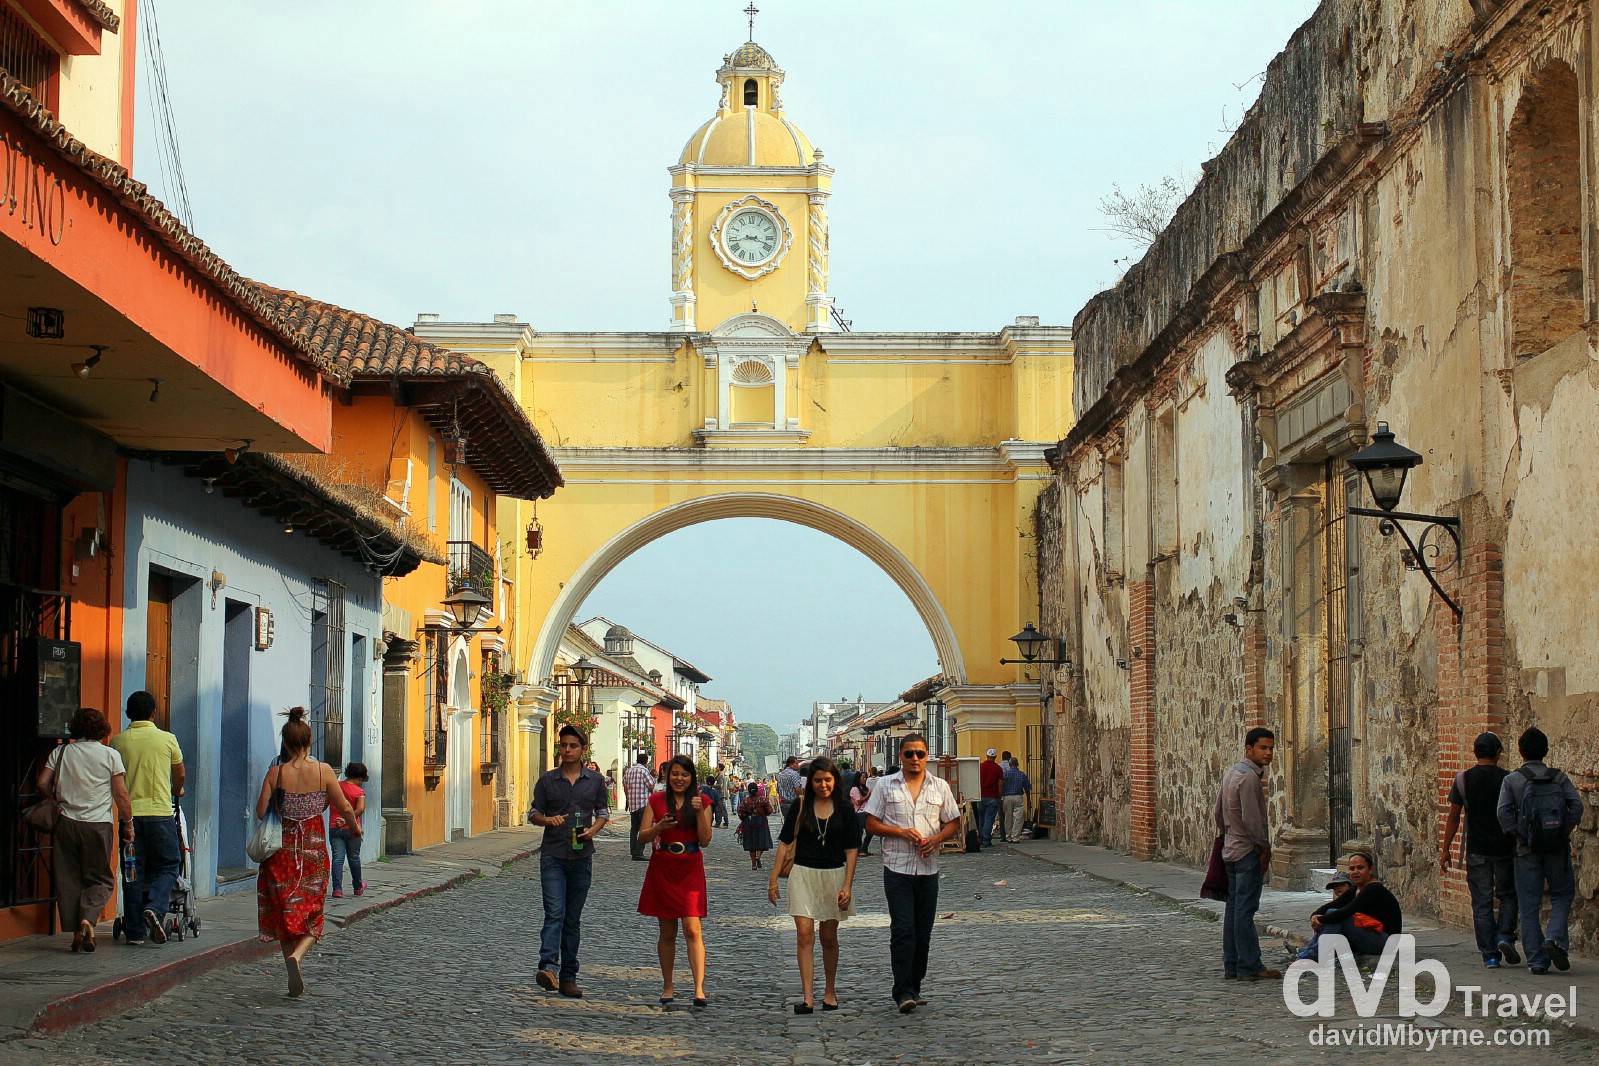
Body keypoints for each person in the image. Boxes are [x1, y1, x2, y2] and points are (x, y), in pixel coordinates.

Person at [256, 707, 363, 997]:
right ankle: (298, 957)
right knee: (313, 912)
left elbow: (260, 811)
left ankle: (290, 959)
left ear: (285, 742)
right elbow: (343, 806)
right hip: (313, 850)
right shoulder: (324, 771)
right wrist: (354, 827)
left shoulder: (275, 773)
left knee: (283, 911)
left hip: (281, 852)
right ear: (309, 741)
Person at [863, 733, 960, 1013]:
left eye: (920, 753)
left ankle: (915, 985)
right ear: (901, 757)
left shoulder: (939, 787)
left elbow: (953, 822)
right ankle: (902, 990)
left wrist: (937, 839)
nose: (915, 759)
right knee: (903, 929)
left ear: (927, 755)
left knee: (923, 932)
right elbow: (871, 824)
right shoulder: (885, 785)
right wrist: (900, 832)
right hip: (897, 867)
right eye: (909, 754)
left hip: (928, 869)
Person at [36, 708, 131, 953]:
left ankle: (77, 933)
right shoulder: (110, 755)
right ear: (102, 729)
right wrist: (128, 823)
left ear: (75, 727)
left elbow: (42, 783)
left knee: (68, 878)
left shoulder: (61, 752)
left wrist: (54, 799)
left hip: (66, 822)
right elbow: (120, 794)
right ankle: (88, 919)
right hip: (98, 824)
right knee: (100, 879)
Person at [770, 756, 860, 1013]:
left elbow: (852, 849)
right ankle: (808, 996)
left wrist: (848, 885)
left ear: (835, 781)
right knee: (804, 934)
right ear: (811, 782)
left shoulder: (844, 809)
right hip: (803, 874)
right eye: (818, 780)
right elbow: (785, 843)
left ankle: (829, 991)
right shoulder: (801, 805)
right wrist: (773, 878)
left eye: (827, 780)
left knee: (829, 937)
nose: (823, 785)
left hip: (834, 875)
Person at [529, 724, 611, 998]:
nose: (567, 750)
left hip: (582, 856)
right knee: (555, 913)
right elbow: (534, 813)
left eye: (572, 746)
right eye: (563, 745)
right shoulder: (548, 780)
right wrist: (546, 819)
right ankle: (548, 967)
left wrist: (594, 830)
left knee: (572, 920)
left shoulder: (596, 782)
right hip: (553, 854)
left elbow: (603, 812)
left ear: (583, 750)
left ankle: (568, 977)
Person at [1496, 726, 1583, 975]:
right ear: (1545, 751)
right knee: (1562, 895)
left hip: (1526, 850)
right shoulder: (1559, 777)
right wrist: (1563, 832)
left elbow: (1502, 813)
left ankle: (1537, 960)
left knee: (1529, 904)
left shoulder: (1512, 780)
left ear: (1521, 752)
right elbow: (1576, 806)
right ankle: (1554, 938)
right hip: (1557, 848)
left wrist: (1520, 835)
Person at [108, 690, 184, 946]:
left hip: (129, 820)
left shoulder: (116, 743)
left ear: (128, 713)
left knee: (132, 872)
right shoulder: (167, 739)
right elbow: (179, 773)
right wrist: (176, 788)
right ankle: (156, 907)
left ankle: (134, 932)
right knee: (169, 865)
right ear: (154, 712)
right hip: (160, 815)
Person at [638, 755, 713, 1007]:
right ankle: (668, 984)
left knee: (693, 928)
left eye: (684, 774)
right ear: (667, 777)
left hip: (690, 865)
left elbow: (705, 840)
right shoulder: (656, 800)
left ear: (692, 778)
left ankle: (699, 988)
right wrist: (659, 827)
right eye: (674, 774)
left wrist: (700, 812)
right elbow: (642, 837)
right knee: (667, 931)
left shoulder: (701, 801)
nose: (679, 779)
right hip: (663, 865)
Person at [1441, 732, 1519, 968]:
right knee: (1508, 895)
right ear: (1498, 753)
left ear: (1475, 753)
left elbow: (1453, 817)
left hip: (1476, 850)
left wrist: (1445, 849)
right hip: (1505, 848)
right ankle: (1505, 936)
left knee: (1482, 902)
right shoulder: (1508, 779)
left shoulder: (1463, 780)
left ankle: (1490, 954)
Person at [1215, 727, 1280, 982]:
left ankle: (1232, 964)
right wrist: (1264, 848)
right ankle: (1249, 966)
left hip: (1231, 847)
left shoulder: (1232, 772)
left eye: (1271, 748)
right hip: (1246, 851)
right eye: (1263, 748)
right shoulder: (1250, 777)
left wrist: (1227, 836)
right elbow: (1254, 820)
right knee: (1244, 910)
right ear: (1249, 749)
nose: (1268, 753)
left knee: (1234, 909)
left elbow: (1219, 813)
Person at [1307, 851, 1401, 958]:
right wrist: (1314, 916)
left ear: (1370, 870)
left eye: (1360, 868)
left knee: (1338, 916)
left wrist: (1321, 920)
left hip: (1384, 942)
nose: (1355, 872)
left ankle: (1312, 954)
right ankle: (1310, 951)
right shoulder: (1355, 889)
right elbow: (1334, 904)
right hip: (1368, 935)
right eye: (1352, 869)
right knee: (1331, 912)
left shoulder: (1374, 889)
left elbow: (1348, 911)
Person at [1293, 871, 1355, 960]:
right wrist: (1315, 919)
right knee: (1327, 916)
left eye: (1341, 884)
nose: (1338, 888)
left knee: (1332, 915)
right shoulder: (1338, 902)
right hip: (1340, 938)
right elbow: (1320, 911)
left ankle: (1312, 953)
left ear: (1350, 886)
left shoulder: (1355, 900)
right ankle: (1308, 950)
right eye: (1335, 886)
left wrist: (1323, 919)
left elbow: (1339, 914)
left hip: (1354, 936)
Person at [329, 762, 368, 899]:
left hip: (334, 827)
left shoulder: (336, 787)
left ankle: (337, 889)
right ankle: (358, 887)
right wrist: (347, 821)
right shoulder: (359, 792)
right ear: (360, 778)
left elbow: (326, 803)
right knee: (354, 857)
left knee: (337, 858)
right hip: (353, 828)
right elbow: (360, 809)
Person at [623, 753, 656, 861]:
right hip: (642, 803)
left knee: (634, 829)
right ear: (646, 761)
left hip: (632, 803)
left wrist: (628, 798)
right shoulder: (644, 771)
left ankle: (633, 850)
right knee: (644, 828)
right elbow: (651, 785)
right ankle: (638, 852)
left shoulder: (628, 771)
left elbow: (625, 787)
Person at [739, 781, 774, 869]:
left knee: (751, 844)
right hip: (761, 821)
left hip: (749, 822)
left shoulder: (745, 800)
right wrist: (763, 815)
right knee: (762, 840)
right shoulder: (763, 799)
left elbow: (740, 812)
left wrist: (745, 819)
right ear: (757, 790)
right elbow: (770, 810)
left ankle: (753, 864)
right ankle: (758, 856)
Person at [1001, 757, 1032, 844]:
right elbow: (1027, 788)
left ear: (1009, 765)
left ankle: (1008, 836)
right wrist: (1029, 800)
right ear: (1017, 764)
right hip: (1018, 797)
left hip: (1007, 797)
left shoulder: (1005, 774)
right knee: (1018, 818)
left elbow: (1001, 785)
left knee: (1008, 818)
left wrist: (1000, 796)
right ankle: (1015, 837)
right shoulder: (1022, 774)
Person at [976, 748, 1003, 848]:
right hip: (992, 796)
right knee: (989, 819)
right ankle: (986, 840)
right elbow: (1000, 783)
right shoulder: (998, 768)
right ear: (995, 757)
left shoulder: (980, 766)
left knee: (981, 818)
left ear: (986, 756)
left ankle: (982, 838)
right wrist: (999, 796)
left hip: (981, 796)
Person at [849, 768, 872, 857]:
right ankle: (858, 850)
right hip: (859, 813)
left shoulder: (864, 788)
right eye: (863, 777)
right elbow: (858, 801)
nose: (865, 779)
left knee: (870, 832)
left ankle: (864, 848)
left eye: (865, 777)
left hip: (867, 811)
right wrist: (868, 795)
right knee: (860, 832)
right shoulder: (855, 789)